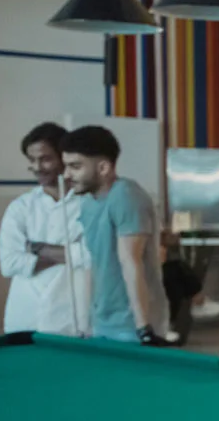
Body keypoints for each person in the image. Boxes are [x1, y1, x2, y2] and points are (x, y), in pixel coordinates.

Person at [61, 126, 171, 345]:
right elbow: (94, 262)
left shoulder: (126, 195)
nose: (66, 175)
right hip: (103, 320)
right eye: (66, 166)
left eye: (75, 166)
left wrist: (143, 328)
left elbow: (131, 261)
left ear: (103, 167)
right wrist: (87, 320)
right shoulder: (87, 202)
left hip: (133, 324)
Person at [0, 122, 91, 336]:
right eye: (32, 160)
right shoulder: (20, 207)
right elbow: (10, 264)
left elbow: (94, 255)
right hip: (25, 316)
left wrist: (40, 249)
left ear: (64, 157)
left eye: (45, 159)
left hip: (73, 319)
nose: (37, 167)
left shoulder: (89, 204)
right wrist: (70, 254)